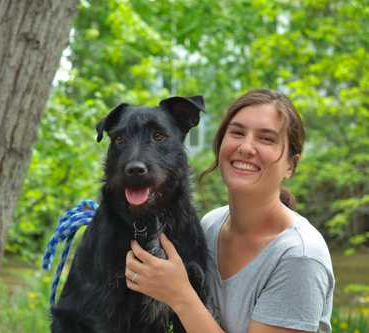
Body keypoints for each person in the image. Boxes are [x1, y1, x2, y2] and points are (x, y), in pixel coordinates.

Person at [125, 89, 335, 333]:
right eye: (236, 133)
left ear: (291, 164)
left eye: (266, 138)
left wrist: (180, 296)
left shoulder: (299, 257)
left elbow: (182, 300)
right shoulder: (211, 226)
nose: (246, 147)